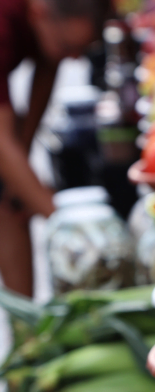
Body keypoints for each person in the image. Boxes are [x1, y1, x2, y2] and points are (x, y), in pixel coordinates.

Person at [0, 0, 111, 297]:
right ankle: (25, 330)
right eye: (65, 46)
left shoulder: (42, 24)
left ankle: (26, 332)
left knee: (14, 196)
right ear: (39, 13)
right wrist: (64, 222)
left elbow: (46, 69)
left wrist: (20, 164)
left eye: (80, 49)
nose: (74, 59)